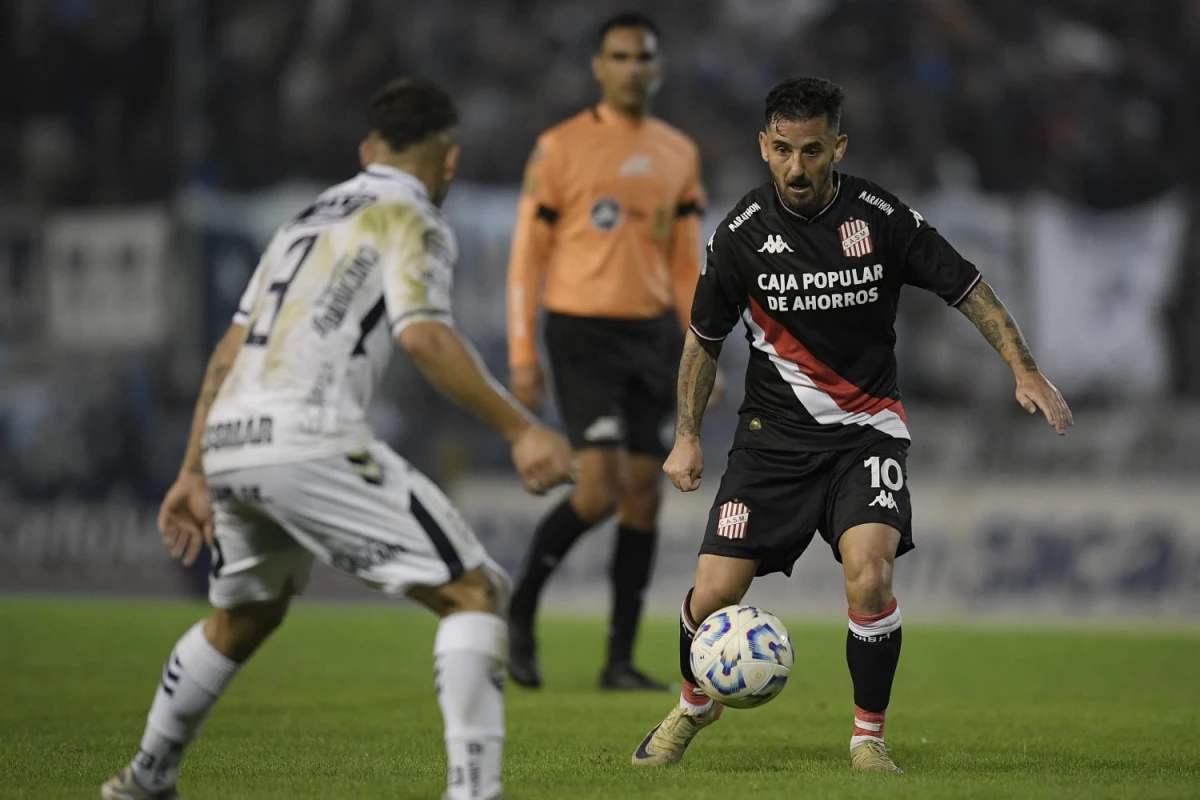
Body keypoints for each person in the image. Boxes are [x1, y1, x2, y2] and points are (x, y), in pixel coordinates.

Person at [100, 78, 573, 800]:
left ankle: (145, 779)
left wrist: (193, 467)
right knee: (474, 591)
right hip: (308, 436)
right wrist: (521, 428)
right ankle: (476, 794)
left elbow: (230, 346)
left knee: (243, 617)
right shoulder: (411, 217)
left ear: (367, 150)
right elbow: (424, 336)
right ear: (448, 160)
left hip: (233, 440)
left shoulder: (303, 220)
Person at [630, 77, 1073, 773]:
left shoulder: (881, 216)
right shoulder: (741, 235)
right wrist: (687, 435)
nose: (797, 168)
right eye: (782, 150)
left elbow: (967, 286)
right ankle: (693, 703)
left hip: (867, 435)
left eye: (811, 150)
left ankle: (868, 738)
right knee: (713, 593)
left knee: (870, 576)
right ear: (763, 147)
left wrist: (1025, 369)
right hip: (771, 443)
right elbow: (703, 340)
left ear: (838, 145)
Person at [505, 11, 709, 691]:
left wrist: (698, 345)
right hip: (580, 331)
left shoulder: (678, 152)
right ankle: (520, 614)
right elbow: (525, 258)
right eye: (618, 57)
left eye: (642, 57)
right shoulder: (558, 148)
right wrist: (521, 353)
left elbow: (686, 265)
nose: (631, 68)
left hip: (651, 335)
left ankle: (618, 660)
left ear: (658, 66)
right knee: (599, 488)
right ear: (598, 66)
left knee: (645, 495)